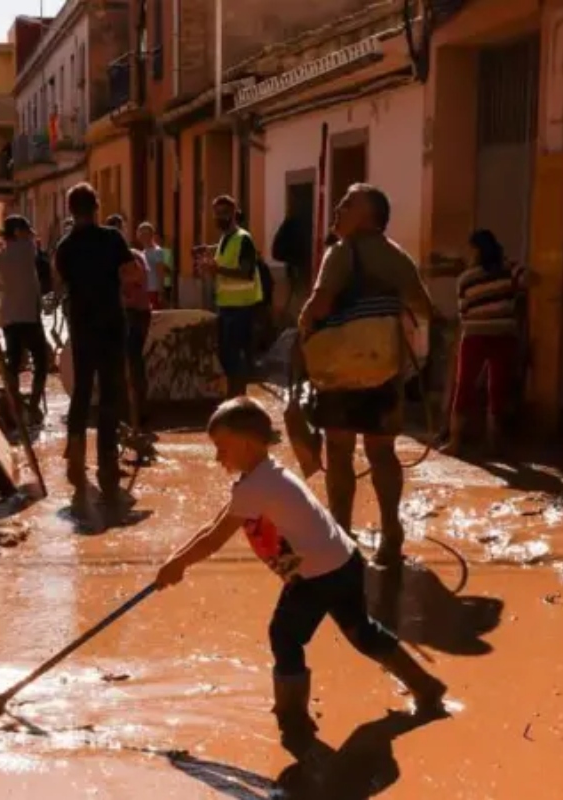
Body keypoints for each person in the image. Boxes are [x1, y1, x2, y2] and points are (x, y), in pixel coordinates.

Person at [155, 397, 447, 744]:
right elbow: (213, 526)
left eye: (222, 447)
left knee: (285, 635)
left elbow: (215, 540)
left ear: (247, 444)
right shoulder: (265, 474)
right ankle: (425, 686)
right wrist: (176, 561)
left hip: (316, 575)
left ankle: (293, 718)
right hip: (343, 559)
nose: (218, 458)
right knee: (361, 631)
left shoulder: (256, 487)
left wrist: (178, 564)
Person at [299, 184, 435, 568]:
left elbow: (321, 304)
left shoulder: (341, 252)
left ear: (369, 215)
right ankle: (391, 536)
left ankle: (340, 535)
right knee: (382, 451)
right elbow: (423, 309)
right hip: (385, 368)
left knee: (339, 451)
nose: (338, 209)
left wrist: (303, 327)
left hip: (340, 371)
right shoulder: (397, 256)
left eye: (347, 204)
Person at [56, 184, 136, 499]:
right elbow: (130, 274)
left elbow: (61, 281)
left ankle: (76, 458)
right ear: (96, 207)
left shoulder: (65, 245)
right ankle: (107, 462)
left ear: (70, 210)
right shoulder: (112, 238)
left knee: (82, 390)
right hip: (111, 324)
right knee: (110, 392)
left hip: (81, 324)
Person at [444, 229, 520, 455]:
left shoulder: (465, 279)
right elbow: (530, 280)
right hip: (504, 334)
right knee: (498, 388)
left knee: (464, 386)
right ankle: (495, 443)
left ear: (476, 250)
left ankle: (455, 442)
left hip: (475, 335)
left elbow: (463, 312)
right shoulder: (509, 269)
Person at [203, 196, 263, 398]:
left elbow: (246, 272)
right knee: (227, 358)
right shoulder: (225, 239)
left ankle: (238, 400)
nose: (220, 217)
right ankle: (234, 399)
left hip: (242, 308)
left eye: (224, 213)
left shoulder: (243, 239)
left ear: (234, 213)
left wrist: (217, 268)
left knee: (237, 359)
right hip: (226, 306)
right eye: (217, 213)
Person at [0, 215, 47, 420]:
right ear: (18, 232)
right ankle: (33, 405)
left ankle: (14, 406)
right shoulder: (27, 249)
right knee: (41, 360)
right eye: (25, 230)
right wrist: (27, 234)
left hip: (8, 315)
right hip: (28, 314)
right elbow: (33, 239)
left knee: (13, 362)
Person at [108, 215, 152, 427]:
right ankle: (126, 411)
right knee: (122, 362)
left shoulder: (133, 256)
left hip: (136, 313)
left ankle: (137, 412)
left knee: (133, 362)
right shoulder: (110, 259)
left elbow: (135, 278)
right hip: (122, 314)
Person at [137, 222, 168, 310]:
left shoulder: (157, 251)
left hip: (154, 290)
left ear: (151, 235)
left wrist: (161, 292)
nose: (142, 235)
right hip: (145, 290)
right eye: (141, 233)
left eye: (145, 233)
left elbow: (160, 272)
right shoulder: (143, 251)